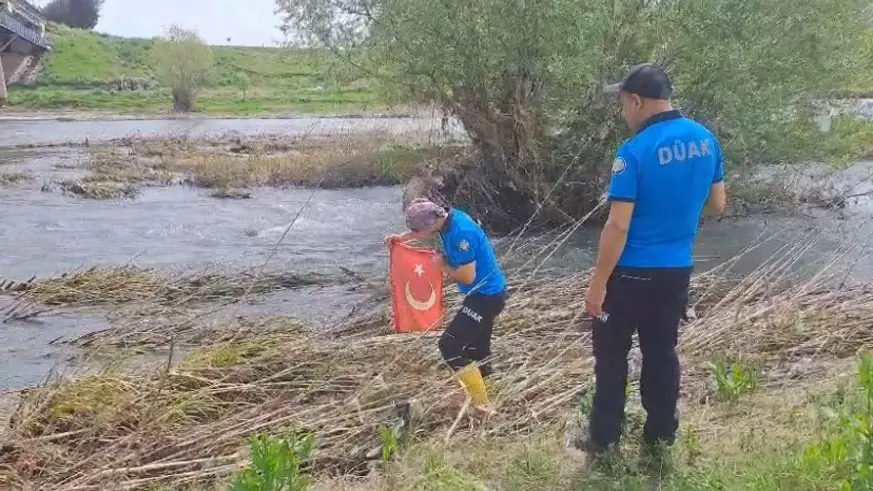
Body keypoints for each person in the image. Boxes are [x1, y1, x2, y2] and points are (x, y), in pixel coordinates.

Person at [582, 64, 727, 460]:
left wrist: (597, 284)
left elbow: (617, 225)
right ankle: (661, 436)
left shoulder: (633, 153)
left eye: (623, 104)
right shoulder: (706, 140)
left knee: (611, 358)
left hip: (629, 274)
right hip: (675, 271)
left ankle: (604, 440)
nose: (623, 113)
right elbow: (717, 204)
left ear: (637, 100)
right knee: (662, 352)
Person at [386, 199, 508, 413]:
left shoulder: (462, 234)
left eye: (418, 229)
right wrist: (402, 238)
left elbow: (468, 276)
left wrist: (442, 264)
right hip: (485, 294)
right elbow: (425, 229)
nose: (418, 233)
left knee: (449, 346)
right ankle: (489, 395)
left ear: (432, 222)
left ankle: (482, 404)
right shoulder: (448, 217)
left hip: (485, 297)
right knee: (477, 350)